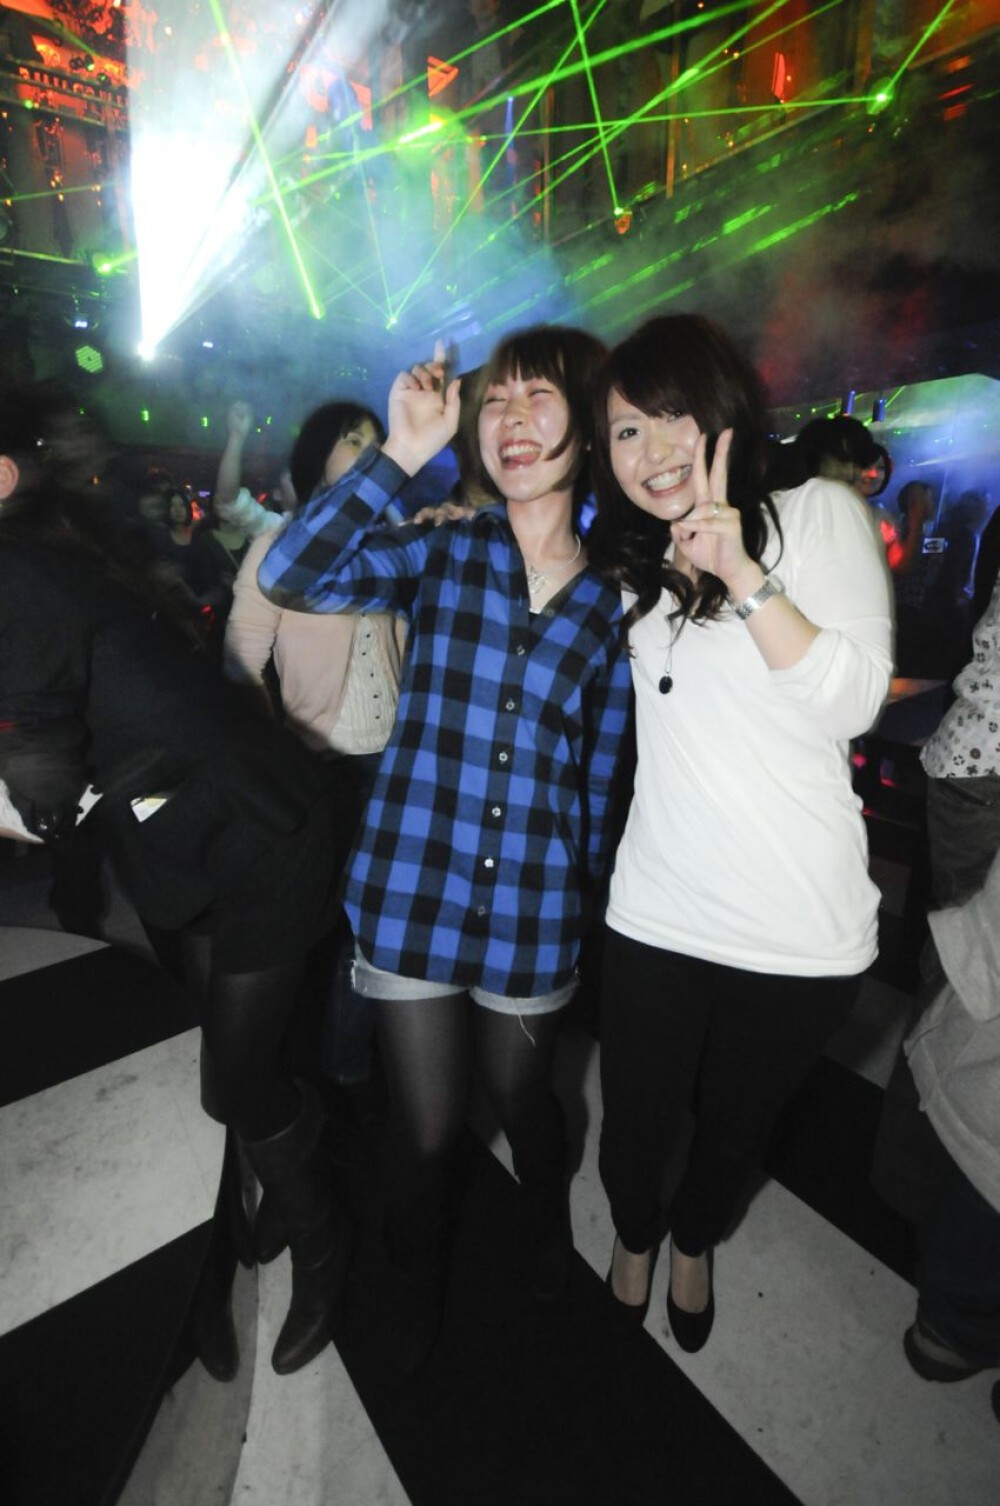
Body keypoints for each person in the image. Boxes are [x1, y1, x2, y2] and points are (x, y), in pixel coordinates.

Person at [259, 325, 633, 1370]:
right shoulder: (447, 548)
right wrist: (399, 454)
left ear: (587, 424)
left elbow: (601, 767)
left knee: (525, 1102)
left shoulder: (612, 597)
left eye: (539, 397)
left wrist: (585, 891)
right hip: (412, 887)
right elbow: (291, 574)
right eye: (496, 400)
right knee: (422, 1132)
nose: (511, 419)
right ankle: (411, 1290)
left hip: (533, 909)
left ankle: (547, 1215)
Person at [0, 384, 349, 1377]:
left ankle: (323, 1235)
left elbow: (43, 789)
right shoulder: (43, 550)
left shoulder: (18, 570)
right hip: (171, 837)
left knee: (234, 1080)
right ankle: (257, 1202)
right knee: (232, 1071)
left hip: (258, 832)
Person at [586, 314, 893, 1349]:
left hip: (796, 930)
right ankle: (635, 1232)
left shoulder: (816, 514)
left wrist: (743, 574)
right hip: (658, 911)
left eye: (671, 414)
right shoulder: (631, 567)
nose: (653, 449)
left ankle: (691, 1240)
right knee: (631, 1128)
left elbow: (853, 700)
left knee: (732, 1134)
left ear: (721, 410)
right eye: (627, 431)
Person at [223, 398, 406, 1125]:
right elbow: (243, 656)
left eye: (376, 440)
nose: (369, 450)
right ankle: (318, 1063)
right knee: (319, 922)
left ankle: (351, 1064)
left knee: (372, 923)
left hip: (393, 761)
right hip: (318, 763)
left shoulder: (393, 543)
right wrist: (271, 753)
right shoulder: (278, 545)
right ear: (315, 456)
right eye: (352, 439)